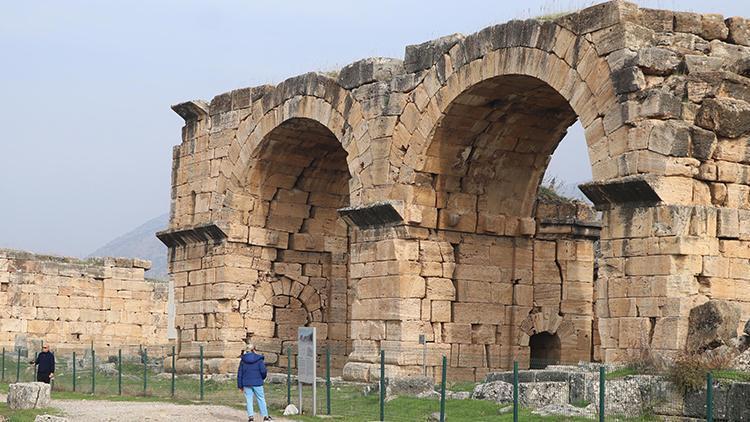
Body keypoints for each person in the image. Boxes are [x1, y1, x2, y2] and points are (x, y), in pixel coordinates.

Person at [237, 343, 272, 422]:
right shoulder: (259, 359)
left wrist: (240, 385)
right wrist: (262, 378)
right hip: (257, 382)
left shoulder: (243, 360)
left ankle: (251, 418)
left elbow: (240, 373)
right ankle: (265, 417)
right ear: (254, 350)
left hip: (246, 382)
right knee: (261, 398)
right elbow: (263, 371)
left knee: (249, 400)